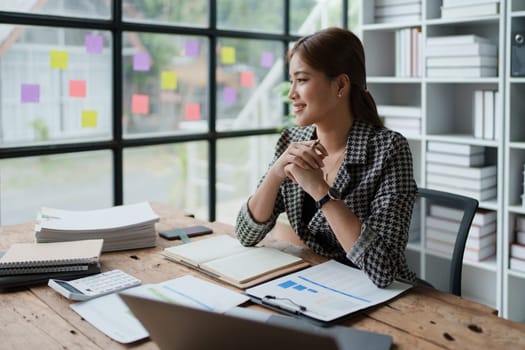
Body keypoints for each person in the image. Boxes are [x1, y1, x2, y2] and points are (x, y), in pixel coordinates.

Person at [235, 27, 417, 288]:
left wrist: (320, 189)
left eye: (302, 80)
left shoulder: (388, 149)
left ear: (340, 84)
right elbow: (246, 234)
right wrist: (276, 173)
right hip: (317, 284)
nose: (291, 94)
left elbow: (384, 268)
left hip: (380, 297)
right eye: (292, 81)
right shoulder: (292, 142)